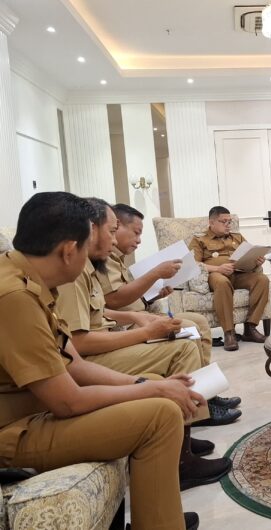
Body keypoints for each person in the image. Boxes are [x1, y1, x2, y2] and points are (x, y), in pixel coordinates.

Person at [0, 192, 199, 529]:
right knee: (160, 415)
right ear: (69, 251)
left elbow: (74, 364)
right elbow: (68, 401)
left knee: (153, 385)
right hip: (14, 430)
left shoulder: (27, 277)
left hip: (34, 408)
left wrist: (147, 384)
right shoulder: (15, 296)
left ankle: (158, 516)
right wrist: (155, 391)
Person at [55, 198, 232, 490]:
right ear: (90, 230)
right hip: (93, 356)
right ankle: (182, 459)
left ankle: (189, 425)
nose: (114, 241)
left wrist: (136, 316)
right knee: (183, 346)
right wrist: (142, 329)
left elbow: (99, 312)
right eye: (112, 231)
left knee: (189, 331)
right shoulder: (71, 272)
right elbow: (78, 342)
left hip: (110, 337)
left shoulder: (87, 266)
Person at [95, 203, 241, 425]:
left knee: (200, 322)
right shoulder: (102, 260)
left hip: (139, 316)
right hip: (126, 327)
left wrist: (151, 296)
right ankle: (198, 409)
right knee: (189, 331)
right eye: (135, 232)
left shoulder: (115, 259)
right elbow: (114, 300)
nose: (138, 240)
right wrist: (155, 274)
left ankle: (206, 394)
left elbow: (122, 301)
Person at [189, 206, 269, 351]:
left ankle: (250, 328)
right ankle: (229, 332)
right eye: (223, 221)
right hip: (216, 275)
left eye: (229, 221)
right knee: (222, 282)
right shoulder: (199, 239)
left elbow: (249, 255)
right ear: (212, 222)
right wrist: (218, 269)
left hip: (238, 274)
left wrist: (256, 261)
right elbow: (192, 265)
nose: (228, 225)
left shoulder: (237, 237)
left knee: (262, 280)